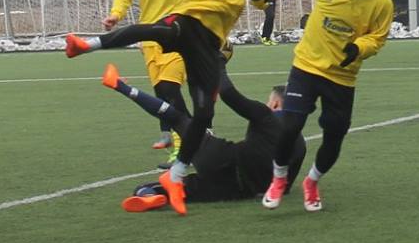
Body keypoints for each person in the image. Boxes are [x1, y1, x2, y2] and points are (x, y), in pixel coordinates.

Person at [63, 0, 270, 215]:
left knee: (203, 114)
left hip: (210, 42)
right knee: (155, 32)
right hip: (187, 22)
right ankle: (85, 45)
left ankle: (175, 176)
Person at [252, 0, 393, 213]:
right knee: (290, 126)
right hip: (307, 67)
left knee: (334, 135)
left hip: (342, 77)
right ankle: (279, 178)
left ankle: (312, 181)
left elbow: (378, 38)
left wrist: (359, 48)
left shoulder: (382, 3)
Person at [100, 70, 305, 209]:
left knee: (177, 118)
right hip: (238, 190)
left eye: (269, 102)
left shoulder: (267, 115)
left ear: (276, 104)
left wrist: (217, 63)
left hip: (222, 158)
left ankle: (120, 86)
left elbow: (228, 93)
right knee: (182, 190)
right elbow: (284, 186)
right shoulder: (301, 144)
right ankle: (149, 193)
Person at [104, 0, 185, 151]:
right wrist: (116, 14)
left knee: (170, 89)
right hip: (149, 37)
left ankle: (183, 147)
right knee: (162, 93)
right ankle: (180, 138)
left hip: (178, 35)